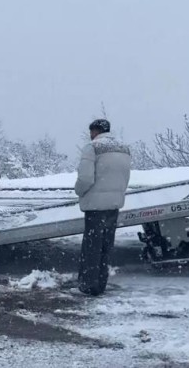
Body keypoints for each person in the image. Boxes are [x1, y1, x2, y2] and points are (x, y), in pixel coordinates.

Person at [74, 119, 131, 296]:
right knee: (106, 246)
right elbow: (125, 176)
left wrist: (79, 191)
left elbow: (85, 178)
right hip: (114, 204)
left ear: (95, 131)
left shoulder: (92, 148)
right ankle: (101, 283)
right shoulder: (124, 148)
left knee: (92, 247)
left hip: (95, 206)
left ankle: (88, 284)